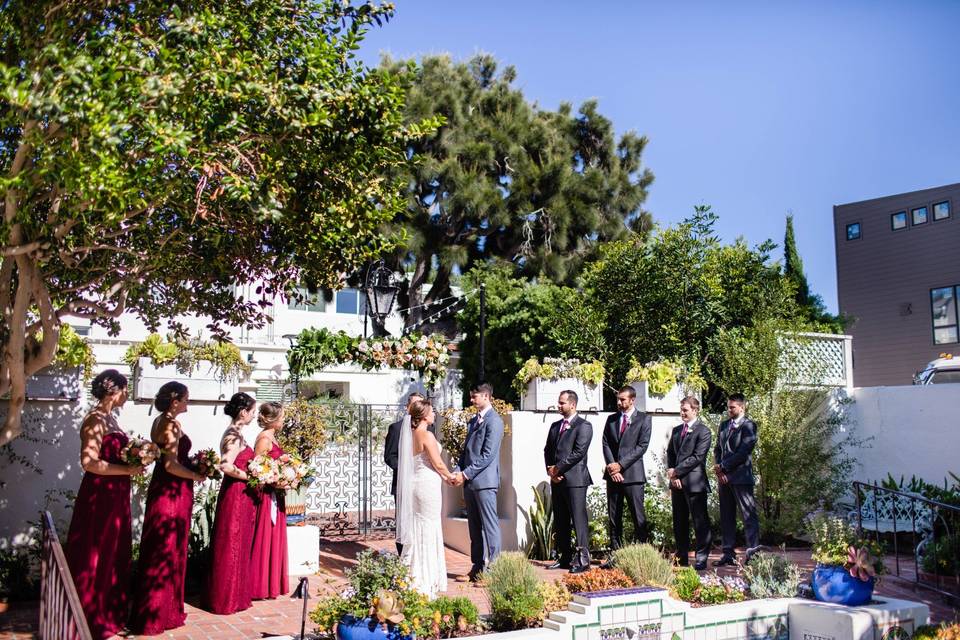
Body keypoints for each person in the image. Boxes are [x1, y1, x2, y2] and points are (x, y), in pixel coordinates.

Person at [65, 370, 143, 640]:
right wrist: (127, 471)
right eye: (124, 389)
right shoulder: (95, 419)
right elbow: (89, 462)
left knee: (113, 552)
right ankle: (89, 617)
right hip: (100, 495)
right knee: (96, 552)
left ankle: (110, 613)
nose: (126, 394)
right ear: (114, 390)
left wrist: (134, 461)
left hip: (117, 494)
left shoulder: (111, 418)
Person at [130, 382, 203, 635]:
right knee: (165, 548)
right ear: (175, 401)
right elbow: (171, 464)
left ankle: (164, 609)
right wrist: (196, 475)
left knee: (164, 548)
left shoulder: (161, 420)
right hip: (171, 491)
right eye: (185, 399)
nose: (188, 403)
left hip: (165, 487)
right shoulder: (170, 425)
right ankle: (156, 614)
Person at [396, 397, 455, 598]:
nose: (435, 414)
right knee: (429, 528)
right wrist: (450, 477)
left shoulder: (410, 434)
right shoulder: (426, 435)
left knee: (417, 527)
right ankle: (425, 580)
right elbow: (437, 463)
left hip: (415, 484)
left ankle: (412, 575)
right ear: (423, 415)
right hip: (427, 486)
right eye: (432, 411)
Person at [206, 392, 258, 614]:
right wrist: (251, 477)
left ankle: (235, 593)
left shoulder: (236, 433)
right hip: (236, 494)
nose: (254, 416)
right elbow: (226, 465)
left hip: (240, 494)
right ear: (243, 412)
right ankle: (225, 598)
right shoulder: (233, 437)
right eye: (253, 412)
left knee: (238, 541)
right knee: (232, 542)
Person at [451, 382, 503, 582]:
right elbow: (466, 453)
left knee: (490, 526)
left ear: (486, 397)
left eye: (475, 397)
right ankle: (478, 566)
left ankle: (495, 569)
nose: (471, 400)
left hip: (485, 483)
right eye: (471, 397)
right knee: (474, 527)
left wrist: (465, 474)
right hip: (470, 483)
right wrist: (457, 471)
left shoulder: (494, 421)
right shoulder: (473, 421)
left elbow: (488, 455)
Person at [543, 390, 593, 574]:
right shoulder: (556, 426)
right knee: (561, 520)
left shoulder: (584, 426)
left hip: (576, 480)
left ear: (572, 404)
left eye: (562, 403)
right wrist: (550, 470)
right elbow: (547, 450)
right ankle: (564, 557)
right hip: (557, 480)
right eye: (559, 402)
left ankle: (583, 559)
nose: (559, 406)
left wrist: (558, 468)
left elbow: (578, 453)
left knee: (578, 519)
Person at [601, 386, 653, 563]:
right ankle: (615, 555)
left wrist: (620, 465)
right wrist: (611, 466)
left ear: (632, 400)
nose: (619, 402)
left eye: (622, 400)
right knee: (614, 517)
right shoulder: (611, 419)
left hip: (633, 475)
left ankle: (643, 556)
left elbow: (642, 446)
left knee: (637, 516)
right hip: (613, 475)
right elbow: (606, 443)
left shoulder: (644, 419)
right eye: (618, 399)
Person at [713, 393, 762, 566]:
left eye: (732, 407)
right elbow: (717, 448)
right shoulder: (724, 425)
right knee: (727, 516)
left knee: (748, 515)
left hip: (741, 478)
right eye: (728, 407)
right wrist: (719, 469)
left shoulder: (749, 426)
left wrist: (724, 467)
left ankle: (753, 553)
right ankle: (728, 553)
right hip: (724, 479)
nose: (729, 410)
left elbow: (744, 451)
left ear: (742, 407)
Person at [666, 396, 712, 570]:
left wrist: (677, 471)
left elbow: (697, 457)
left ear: (695, 410)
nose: (682, 413)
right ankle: (682, 555)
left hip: (694, 483)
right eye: (681, 409)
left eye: (685, 410)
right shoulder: (677, 430)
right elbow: (670, 454)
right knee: (679, 521)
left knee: (700, 521)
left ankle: (701, 557)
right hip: (677, 483)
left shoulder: (704, 431)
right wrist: (673, 476)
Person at [249, 401, 290, 599]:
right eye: (281, 416)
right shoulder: (264, 439)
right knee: (265, 536)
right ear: (273, 419)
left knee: (275, 537)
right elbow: (257, 470)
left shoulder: (273, 436)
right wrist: (276, 479)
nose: (283, 420)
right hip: (267, 497)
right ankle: (260, 585)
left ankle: (271, 583)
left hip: (276, 494)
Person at [385, 392, 427, 555]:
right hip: (403, 483)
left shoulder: (428, 428)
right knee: (404, 522)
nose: (418, 408)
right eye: (415, 404)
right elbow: (389, 457)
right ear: (408, 407)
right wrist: (406, 470)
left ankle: (420, 554)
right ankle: (403, 556)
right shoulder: (396, 428)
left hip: (422, 484)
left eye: (421, 404)